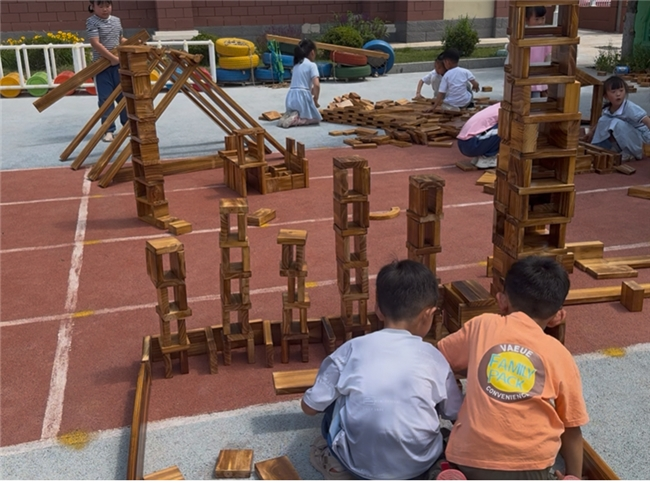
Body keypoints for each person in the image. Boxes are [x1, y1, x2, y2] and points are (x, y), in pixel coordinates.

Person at [302, 259, 463, 480]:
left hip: (360, 465)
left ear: (378, 309)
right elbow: (455, 413)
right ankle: (437, 468)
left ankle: (336, 464)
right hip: (417, 465)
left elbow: (310, 408)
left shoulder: (351, 349)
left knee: (333, 405)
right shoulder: (434, 357)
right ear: (429, 313)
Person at [437, 256, 589, 480]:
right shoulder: (560, 354)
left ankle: (451, 473)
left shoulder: (483, 325)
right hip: (531, 464)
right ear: (557, 313)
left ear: (502, 300)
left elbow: (440, 359)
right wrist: (573, 475)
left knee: (439, 448)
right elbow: (572, 426)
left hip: (469, 457)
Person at [86, 0, 127, 142]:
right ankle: (108, 130)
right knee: (105, 99)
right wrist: (112, 58)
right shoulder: (92, 21)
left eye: (107, 6)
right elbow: (95, 42)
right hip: (102, 67)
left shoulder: (116, 20)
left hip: (118, 66)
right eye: (100, 6)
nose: (105, 9)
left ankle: (127, 126)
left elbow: (120, 39)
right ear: (93, 6)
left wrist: (134, 42)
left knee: (124, 96)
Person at [586, 75, 650, 161]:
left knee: (616, 123)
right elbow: (601, 122)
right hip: (629, 137)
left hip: (642, 140)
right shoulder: (608, 109)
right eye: (613, 92)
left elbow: (647, 121)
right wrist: (591, 133)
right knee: (604, 120)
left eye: (621, 90)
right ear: (606, 96)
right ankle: (600, 147)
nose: (618, 94)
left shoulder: (630, 107)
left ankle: (631, 152)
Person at [278, 39, 322, 128]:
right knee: (316, 118)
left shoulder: (296, 65)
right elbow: (316, 85)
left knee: (299, 111)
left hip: (290, 98)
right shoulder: (312, 65)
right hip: (302, 99)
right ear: (312, 52)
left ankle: (289, 115)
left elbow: (302, 85)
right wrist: (315, 99)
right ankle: (296, 119)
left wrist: (311, 91)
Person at [427, 48, 479, 113]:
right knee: (468, 91)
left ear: (447, 62)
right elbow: (475, 84)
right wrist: (475, 87)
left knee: (444, 105)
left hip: (452, 103)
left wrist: (433, 107)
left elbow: (441, 94)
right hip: (465, 102)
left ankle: (453, 109)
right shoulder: (465, 71)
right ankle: (470, 106)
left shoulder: (446, 76)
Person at [456, 102, 501, 169]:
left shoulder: (496, 107)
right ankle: (487, 158)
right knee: (505, 128)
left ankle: (480, 156)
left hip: (463, 143)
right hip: (471, 144)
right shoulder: (503, 111)